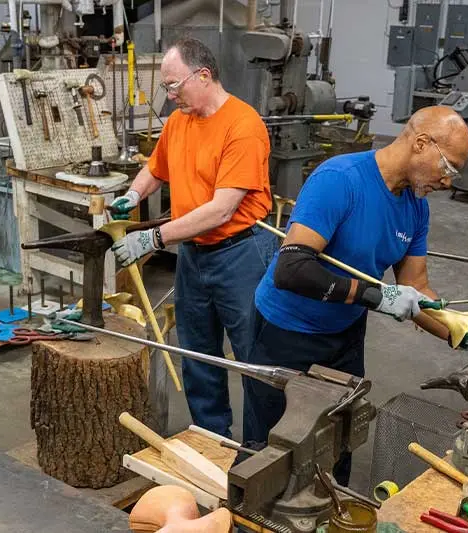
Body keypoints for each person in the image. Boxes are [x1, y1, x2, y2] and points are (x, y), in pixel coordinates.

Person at [245, 106, 468, 484]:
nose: (448, 182)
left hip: (345, 335)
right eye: (449, 167)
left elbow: (416, 287)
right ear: (421, 143)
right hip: (286, 332)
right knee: (273, 453)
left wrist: (456, 329)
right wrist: (376, 296)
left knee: (337, 439)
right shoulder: (340, 180)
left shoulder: (416, 208)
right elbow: (292, 269)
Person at [110, 38, 278, 439]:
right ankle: (211, 437)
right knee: (197, 353)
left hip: (242, 254)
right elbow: (157, 168)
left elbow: (221, 210)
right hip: (194, 256)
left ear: (204, 75)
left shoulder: (243, 126)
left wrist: (154, 238)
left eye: (174, 86)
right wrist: (134, 194)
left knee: (254, 358)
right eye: (166, 89)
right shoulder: (178, 122)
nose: (170, 97)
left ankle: (260, 452)